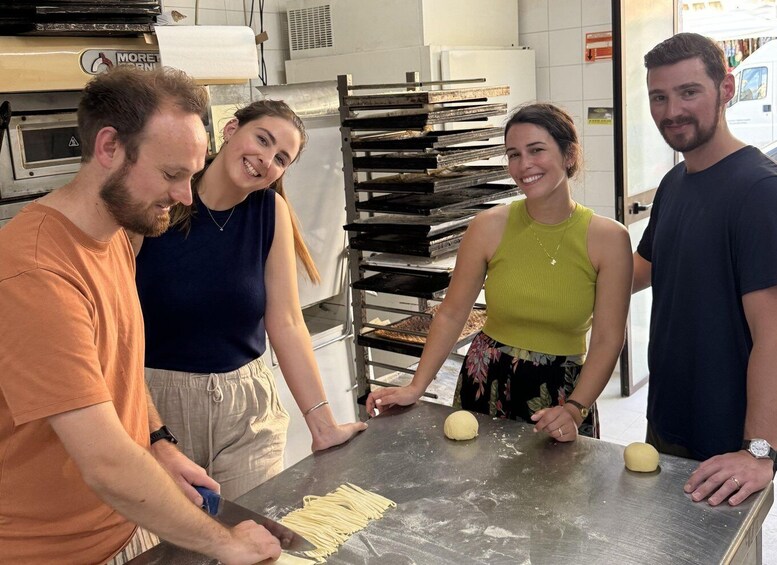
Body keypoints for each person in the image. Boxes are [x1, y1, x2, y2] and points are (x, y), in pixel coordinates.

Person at [0, 66, 282, 563]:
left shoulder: (115, 238)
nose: (184, 197)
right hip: (54, 552)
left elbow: (119, 372)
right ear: (109, 148)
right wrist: (227, 545)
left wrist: (157, 442)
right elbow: (106, 464)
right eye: (172, 174)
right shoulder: (34, 272)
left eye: (192, 175)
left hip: (128, 528)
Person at [133, 99, 367, 500]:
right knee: (178, 550)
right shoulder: (165, 199)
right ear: (230, 129)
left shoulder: (269, 210)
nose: (265, 160)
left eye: (280, 158)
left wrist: (323, 425)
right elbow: (118, 314)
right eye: (262, 139)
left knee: (252, 534)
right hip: (158, 402)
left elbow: (288, 323)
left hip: (248, 407)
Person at [366, 103, 633, 442]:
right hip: (486, 376)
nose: (524, 166)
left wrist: (576, 407)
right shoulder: (488, 227)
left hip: (562, 391)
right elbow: (451, 313)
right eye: (513, 155)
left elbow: (608, 338)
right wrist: (417, 385)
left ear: (569, 155)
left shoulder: (608, 239)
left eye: (536, 150)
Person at [635, 32, 777, 507]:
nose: (672, 110)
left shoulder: (759, 191)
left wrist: (759, 450)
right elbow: (643, 268)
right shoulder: (674, 182)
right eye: (660, 96)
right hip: (669, 420)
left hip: (727, 442)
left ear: (727, 89)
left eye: (688, 91)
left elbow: (773, 332)